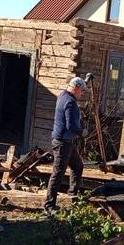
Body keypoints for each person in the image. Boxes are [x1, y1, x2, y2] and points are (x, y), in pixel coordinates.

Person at [45, 76, 87, 212]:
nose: (83, 94)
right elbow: (70, 125)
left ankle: (72, 194)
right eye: (82, 91)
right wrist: (82, 132)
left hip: (66, 141)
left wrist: (85, 80)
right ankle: (49, 206)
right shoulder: (70, 103)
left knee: (77, 165)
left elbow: (75, 85)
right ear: (76, 89)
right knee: (58, 174)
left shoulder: (63, 95)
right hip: (62, 142)